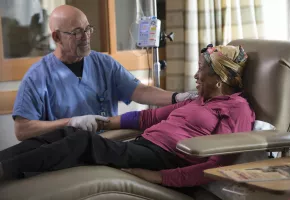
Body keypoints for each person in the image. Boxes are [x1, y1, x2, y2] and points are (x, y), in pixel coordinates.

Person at [1, 44, 255, 188]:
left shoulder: (237, 108)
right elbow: (146, 120)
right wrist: (97, 121)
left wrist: (159, 178)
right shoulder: (197, 100)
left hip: (167, 159)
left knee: (84, 144)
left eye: (201, 72)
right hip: (143, 145)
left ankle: (6, 170)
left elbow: (219, 165)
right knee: (73, 133)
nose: (195, 76)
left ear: (221, 79)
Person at [12, 5, 197, 141]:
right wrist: (70, 123)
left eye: (87, 29)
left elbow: (139, 91)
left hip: (108, 146)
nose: (85, 37)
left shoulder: (103, 63)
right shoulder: (37, 76)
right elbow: (22, 129)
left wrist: (177, 97)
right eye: (76, 32)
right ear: (56, 37)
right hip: (65, 153)